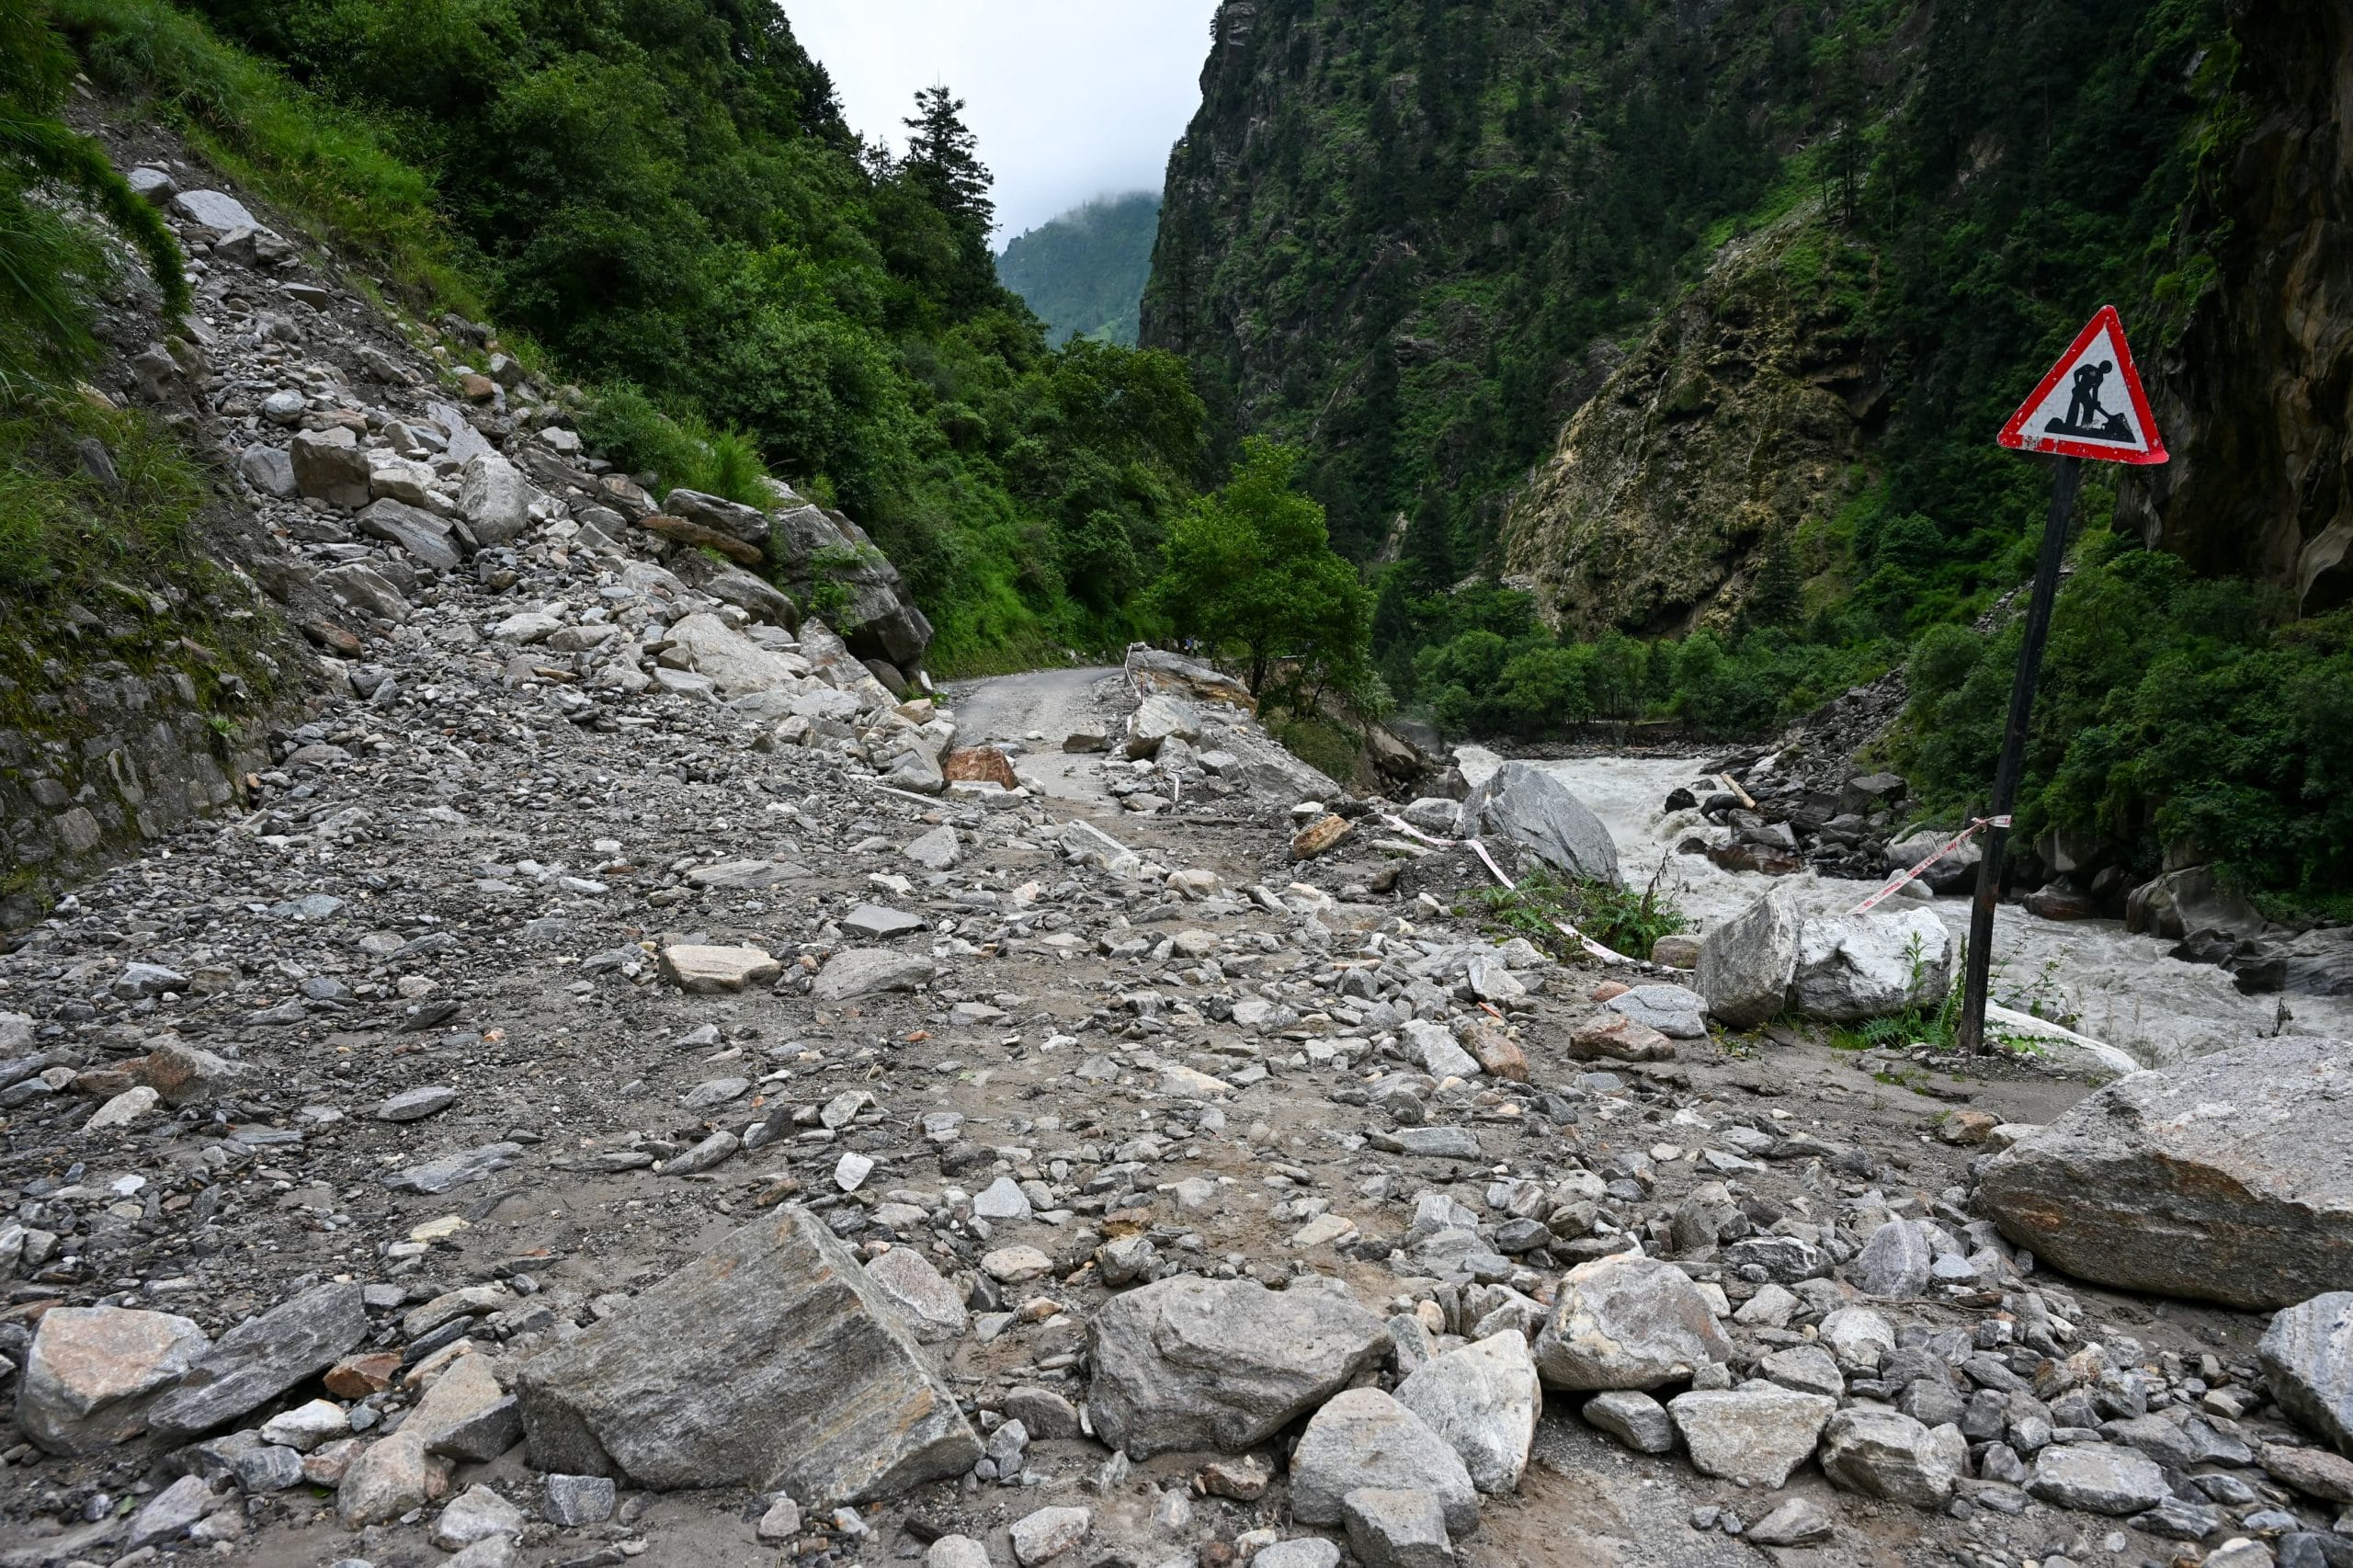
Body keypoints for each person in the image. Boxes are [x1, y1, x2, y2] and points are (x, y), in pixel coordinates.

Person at [2064, 359, 2113, 430]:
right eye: (2104, 367)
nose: (2104, 370)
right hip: (2079, 389)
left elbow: (2095, 389)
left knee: (2089, 407)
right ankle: (2069, 425)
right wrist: (2077, 384)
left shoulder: (2100, 378)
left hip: (2086, 392)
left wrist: (2094, 402)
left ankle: (2085, 426)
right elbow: (2076, 373)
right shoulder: (2089, 367)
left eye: (2106, 369)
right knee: (2075, 404)